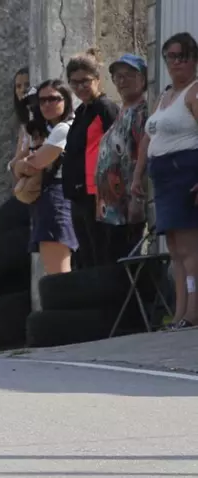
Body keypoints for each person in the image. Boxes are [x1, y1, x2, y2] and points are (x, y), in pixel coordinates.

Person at [133, 32, 198, 330]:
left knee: (189, 247)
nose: (176, 62)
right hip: (163, 178)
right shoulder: (164, 96)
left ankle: (193, 311)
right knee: (173, 248)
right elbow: (149, 137)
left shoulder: (194, 92)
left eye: (182, 56)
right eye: (171, 57)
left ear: (194, 60)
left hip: (185, 173)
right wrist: (138, 174)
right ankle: (180, 310)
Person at [62, 49, 121, 268]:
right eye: (74, 83)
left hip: (98, 195)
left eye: (85, 81)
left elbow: (118, 149)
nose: (80, 88)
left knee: (101, 256)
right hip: (79, 195)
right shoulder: (81, 112)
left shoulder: (105, 109)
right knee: (86, 258)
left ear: (97, 79)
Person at [13, 79, 79, 274]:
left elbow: (34, 164)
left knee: (58, 272)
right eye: (42, 101)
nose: (47, 105)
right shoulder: (43, 130)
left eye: (53, 99)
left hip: (56, 198)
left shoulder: (64, 128)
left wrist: (21, 165)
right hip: (51, 198)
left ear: (66, 100)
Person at [94, 54, 149, 259]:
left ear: (143, 79)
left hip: (127, 206)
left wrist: (136, 199)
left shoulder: (142, 112)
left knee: (128, 261)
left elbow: (142, 153)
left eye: (129, 75)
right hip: (112, 209)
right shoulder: (122, 112)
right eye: (118, 76)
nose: (122, 81)